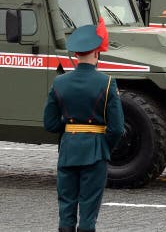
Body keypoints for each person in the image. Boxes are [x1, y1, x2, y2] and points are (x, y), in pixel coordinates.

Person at [43, 19, 124, 232]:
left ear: (76, 55)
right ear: (97, 53)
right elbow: (116, 128)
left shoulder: (59, 82)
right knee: (88, 212)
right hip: (95, 151)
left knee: (66, 210)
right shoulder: (107, 83)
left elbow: (50, 124)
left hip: (69, 150)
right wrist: (104, 147)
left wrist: (71, 132)